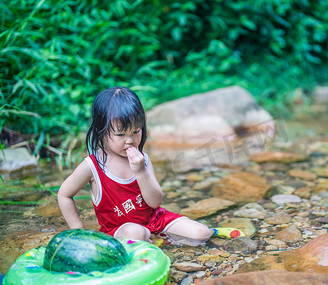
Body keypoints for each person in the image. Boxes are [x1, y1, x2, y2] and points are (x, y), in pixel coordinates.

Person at [58, 86, 243, 246]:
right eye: (121, 135)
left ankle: (196, 233)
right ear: (102, 132)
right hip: (119, 230)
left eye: (136, 132)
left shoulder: (142, 159)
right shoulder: (92, 166)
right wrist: (79, 232)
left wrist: (140, 171)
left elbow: (155, 202)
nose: (130, 141)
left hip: (154, 219)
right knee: (136, 233)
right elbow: (64, 194)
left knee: (200, 234)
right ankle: (150, 241)